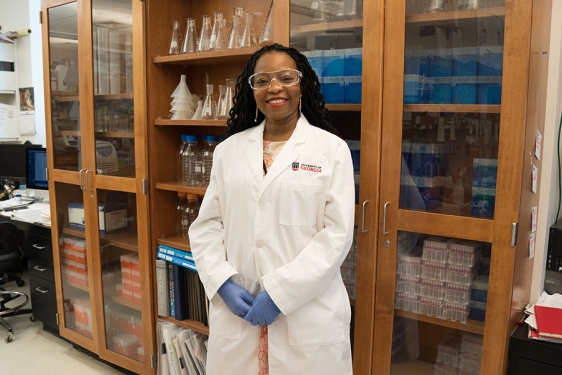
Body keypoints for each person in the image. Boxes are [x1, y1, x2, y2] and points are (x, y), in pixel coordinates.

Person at [188, 43, 355, 375]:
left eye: (285, 77)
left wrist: (280, 293)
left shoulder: (330, 150)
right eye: (262, 80)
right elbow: (207, 227)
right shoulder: (228, 151)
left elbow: (336, 235)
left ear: (302, 84)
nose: (274, 87)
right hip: (241, 314)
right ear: (252, 90)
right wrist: (222, 283)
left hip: (307, 314)